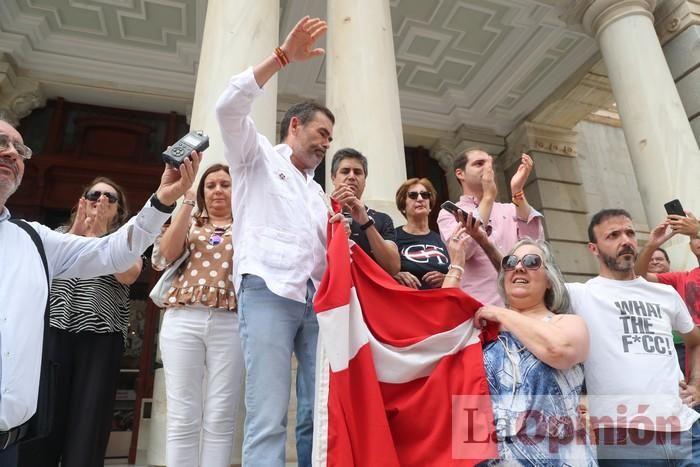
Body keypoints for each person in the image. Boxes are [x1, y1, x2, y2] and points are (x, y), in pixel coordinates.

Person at [0, 118, 200, 465]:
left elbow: (115, 255)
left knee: (84, 428)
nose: (11, 153)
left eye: (19, 148)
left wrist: (164, 198)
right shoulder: (56, 234)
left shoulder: (33, 239)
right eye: (2, 142)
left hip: (13, 428)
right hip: (57, 338)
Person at [215, 16, 345, 467]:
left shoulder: (316, 193)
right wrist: (281, 58)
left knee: (317, 411)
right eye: (321, 133)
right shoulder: (255, 158)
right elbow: (228, 109)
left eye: (331, 136)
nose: (327, 142)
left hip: (316, 303)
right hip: (267, 291)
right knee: (268, 415)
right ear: (295, 125)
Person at [18, 177, 143, 467]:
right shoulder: (54, 235)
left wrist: (98, 236)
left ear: (119, 210)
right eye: (94, 194)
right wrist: (76, 233)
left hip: (99, 340)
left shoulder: (122, 242)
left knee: (89, 421)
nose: (101, 200)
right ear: (81, 201)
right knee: (42, 417)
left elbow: (129, 275)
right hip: (50, 334)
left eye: (110, 198)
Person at [444, 228, 595, 466]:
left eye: (532, 262)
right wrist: (456, 265)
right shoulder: (485, 328)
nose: (519, 267)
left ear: (549, 280)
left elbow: (559, 351)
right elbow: (439, 327)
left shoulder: (568, 323)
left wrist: (501, 313)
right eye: (510, 262)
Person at [567, 208, 700, 465]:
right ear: (593, 249)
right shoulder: (580, 295)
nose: (625, 240)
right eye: (613, 235)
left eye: (629, 233)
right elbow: (526, 280)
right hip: (623, 441)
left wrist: (697, 384)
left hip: (686, 432)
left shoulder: (665, 295)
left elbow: (695, 341)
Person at [151, 163, 243, 467]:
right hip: (183, 319)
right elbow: (165, 255)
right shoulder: (190, 221)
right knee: (182, 413)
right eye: (211, 185)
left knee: (221, 414)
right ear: (202, 191)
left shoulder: (249, 224)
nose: (218, 190)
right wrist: (187, 201)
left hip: (231, 321)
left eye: (225, 184)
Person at [437, 148, 543, 305]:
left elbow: (534, 244)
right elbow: (464, 251)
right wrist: (488, 197)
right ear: (460, 174)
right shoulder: (450, 213)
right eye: (479, 164)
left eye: (490, 164)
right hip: (477, 309)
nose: (488, 169)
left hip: (516, 309)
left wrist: (517, 191)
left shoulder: (509, 209)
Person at [330, 148, 400, 275]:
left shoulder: (382, 219)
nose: (351, 176)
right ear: (333, 178)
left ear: (364, 181)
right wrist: (333, 212)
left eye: (357, 172)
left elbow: (393, 267)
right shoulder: (317, 210)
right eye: (345, 171)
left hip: (369, 292)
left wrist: (366, 222)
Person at [392, 177, 450, 289]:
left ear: (430, 206)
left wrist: (446, 278)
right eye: (413, 195)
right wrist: (394, 275)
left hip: (439, 302)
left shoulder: (443, 239)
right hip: (407, 302)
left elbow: (458, 272)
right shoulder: (393, 237)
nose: (420, 199)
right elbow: (379, 270)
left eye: (425, 195)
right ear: (403, 206)